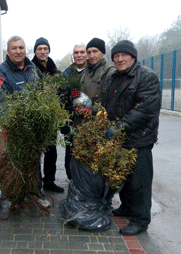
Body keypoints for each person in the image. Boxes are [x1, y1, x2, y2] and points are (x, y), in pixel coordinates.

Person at [102, 40, 161, 235]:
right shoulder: (114, 77)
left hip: (139, 139)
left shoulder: (146, 77)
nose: (119, 59)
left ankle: (141, 220)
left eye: (123, 55)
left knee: (139, 182)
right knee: (124, 178)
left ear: (133, 56)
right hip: (121, 138)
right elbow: (109, 104)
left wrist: (117, 128)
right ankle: (126, 207)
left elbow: (143, 111)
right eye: (115, 56)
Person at [0, 35, 50, 208]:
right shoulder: (1, 72)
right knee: (16, 160)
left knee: (34, 159)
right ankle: (16, 196)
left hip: (34, 127)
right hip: (15, 128)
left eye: (21, 48)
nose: (18, 51)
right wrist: (14, 125)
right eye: (14, 48)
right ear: (8, 52)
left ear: (26, 50)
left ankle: (35, 193)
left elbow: (42, 94)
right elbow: (2, 103)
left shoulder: (33, 69)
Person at [31, 37, 64, 193]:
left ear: (49, 50)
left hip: (51, 119)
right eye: (39, 49)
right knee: (35, 151)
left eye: (45, 48)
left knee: (51, 150)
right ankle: (35, 183)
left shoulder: (55, 71)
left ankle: (49, 181)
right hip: (34, 118)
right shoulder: (29, 70)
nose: (43, 51)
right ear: (35, 51)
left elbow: (63, 92)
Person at [61, 43, 88, 180]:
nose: (79, 55)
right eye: (76, 52)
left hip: (89, 122)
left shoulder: (92, 71)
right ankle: (72, 181)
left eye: (82, 52)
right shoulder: (66, 74)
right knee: (70, 155)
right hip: (71, 122)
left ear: (86, 54)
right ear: (73, 55)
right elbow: (61, 99)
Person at [80, 37, 115, 111]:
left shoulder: (110, 72)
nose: (92, 55)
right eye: (89, 52)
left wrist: (91, 111)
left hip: (101, 118)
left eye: (95, 51)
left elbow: (111, 100)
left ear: (102, 53)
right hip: (84, 118)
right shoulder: (84, 72)